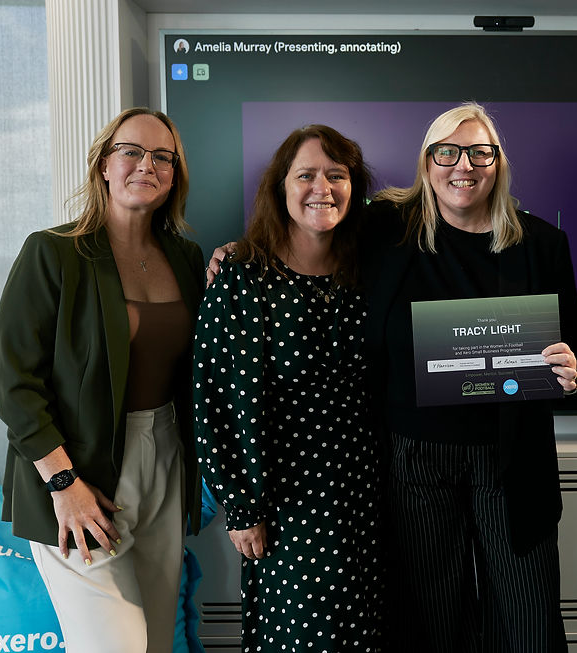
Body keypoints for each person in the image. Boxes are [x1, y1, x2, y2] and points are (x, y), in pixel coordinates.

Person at [364, 102, 577, 652]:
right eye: (447, 152)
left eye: (479, 152)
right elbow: (307, 227)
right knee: (428, 618)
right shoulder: (384, 230)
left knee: (527, 615)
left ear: (498, 164)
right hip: (414, 456)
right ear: (426, 163)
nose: (462, 165)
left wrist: (572, 367)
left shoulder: (541, 244)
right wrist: (239, 251)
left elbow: (576, 341)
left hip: (512, 457)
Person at [0, 107, 205, 652]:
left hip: (163, 459)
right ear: (104, 165)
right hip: (75, 474)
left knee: (156, 643)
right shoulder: (53, 252)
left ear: (176, 174)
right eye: (131, 151)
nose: (146, 164)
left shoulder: (186, 257)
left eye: (163, 156)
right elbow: (16, 385)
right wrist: (63, 486)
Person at [194, 125, 382, 652]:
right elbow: (213, 405)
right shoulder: (241, 277)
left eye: (336, 175)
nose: (322, 187)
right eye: (306, 175)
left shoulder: (372, 274)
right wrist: (241, 507)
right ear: (281, 188)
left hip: (370, 502)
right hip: (284, 509)